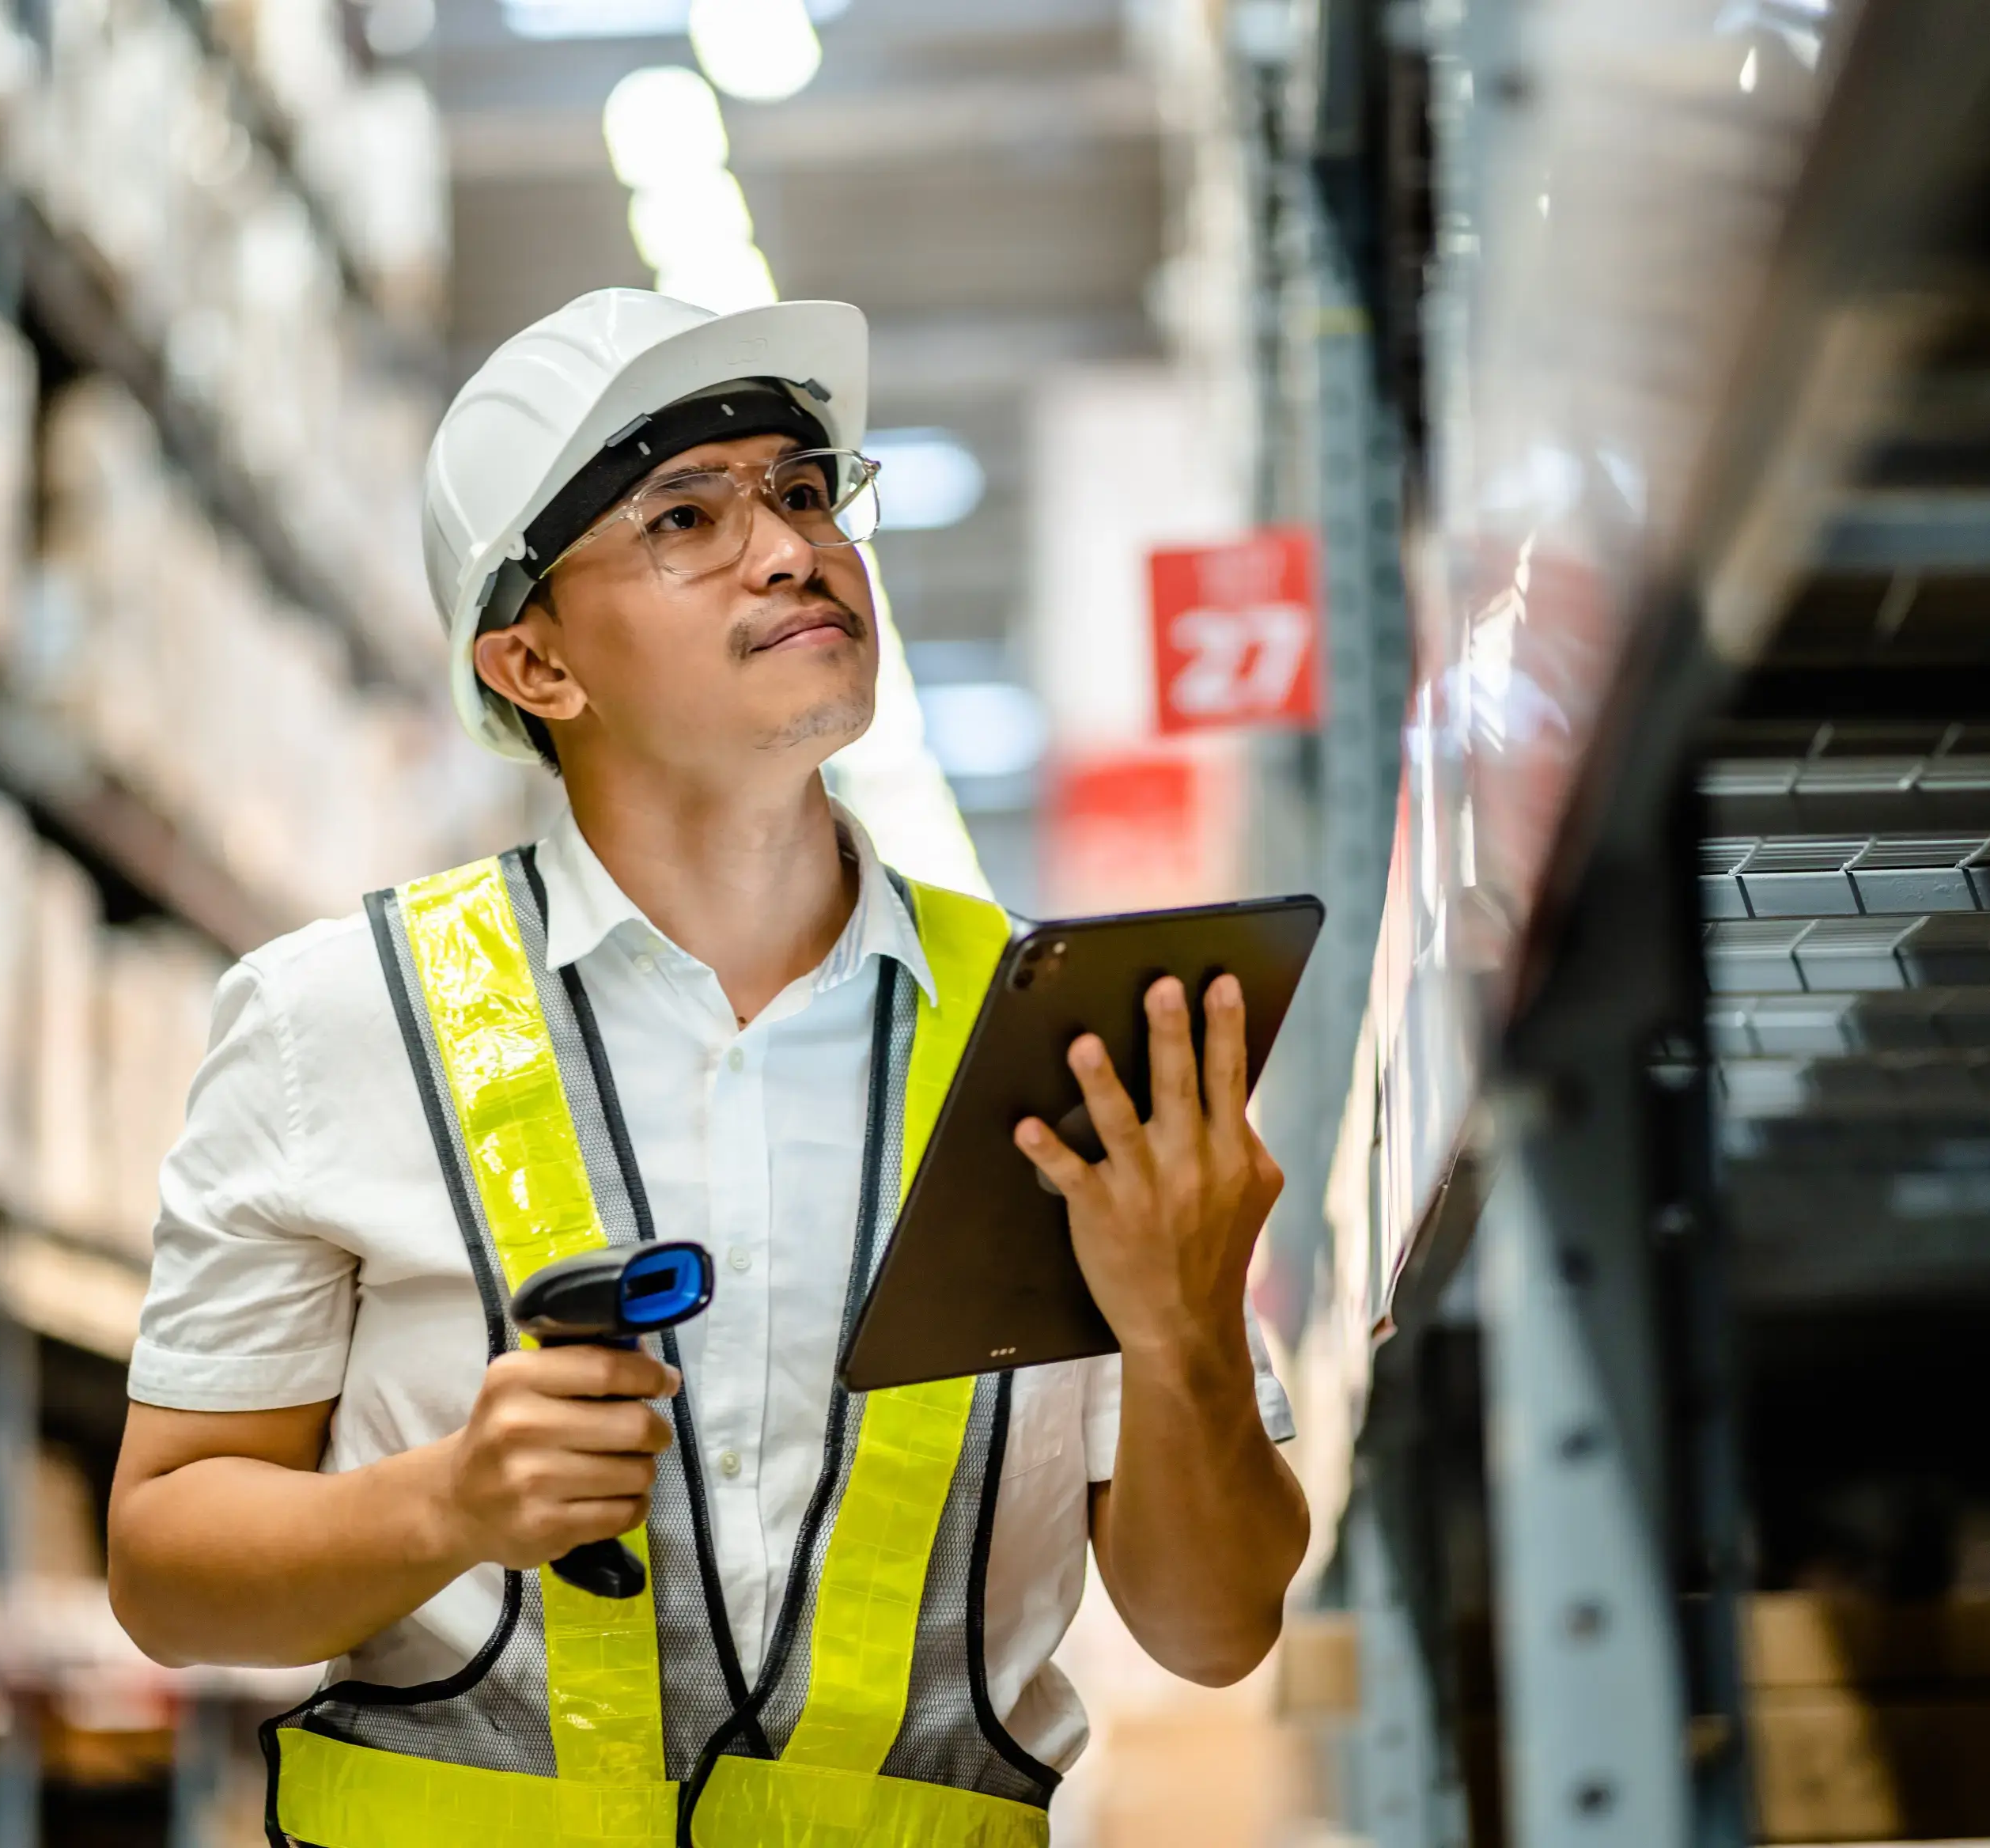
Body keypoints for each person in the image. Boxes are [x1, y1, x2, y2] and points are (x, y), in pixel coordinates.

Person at [106, 289, 1309, 1847]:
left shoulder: (1056, 1037)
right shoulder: (335, 1018)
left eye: (807, 491)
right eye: (686, 514)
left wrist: (1186, 1334)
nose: (792, 545)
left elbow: (1215, 1629)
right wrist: (447, 1504)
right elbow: (164, 1565)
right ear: (536, 665)